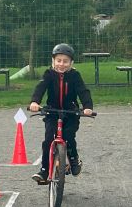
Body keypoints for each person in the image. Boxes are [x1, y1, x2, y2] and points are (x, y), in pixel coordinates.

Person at [29, 43, 94, 184]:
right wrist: (35, 102)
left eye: (65, 61)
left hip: (70, 113)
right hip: (52, 111)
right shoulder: (49, 74)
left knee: (68, 135)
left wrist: (87, 106)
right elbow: (40, 88)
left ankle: (73, 160)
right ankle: (44, 171)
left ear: (71, 63)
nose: (61, 64)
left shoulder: (75, 76)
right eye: (58, 60)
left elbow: (83, 91)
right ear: (53, 61)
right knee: (48, 139)